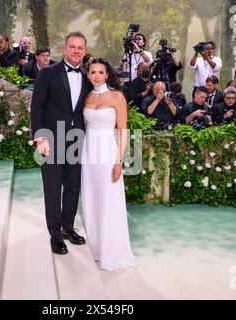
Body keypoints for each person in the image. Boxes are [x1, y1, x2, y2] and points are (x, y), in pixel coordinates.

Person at [31, 31, 91, 255]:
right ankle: (55, 235)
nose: (76, 51)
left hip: (77, 139)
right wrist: (40, 138)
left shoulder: (87, 76)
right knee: (53, 188)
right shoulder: (48, 73)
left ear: (84, 51)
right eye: (72, 46)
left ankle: (68, 227)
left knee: (73, 187)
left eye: (80, 48)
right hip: (52, 138)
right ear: (65, 48)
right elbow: (36, 106)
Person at [82, 58, 136, 271]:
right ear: (88, 75)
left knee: (108, 199)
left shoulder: (117, 96)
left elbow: (122, 130)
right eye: (92, 72)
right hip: (88, 152)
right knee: (90, 198)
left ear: (107, 75)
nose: (96, 76)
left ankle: (111, 251)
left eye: (100, 72)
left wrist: (119, 162)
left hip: (107, 153)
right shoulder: (86, 96)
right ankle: (95, 249)